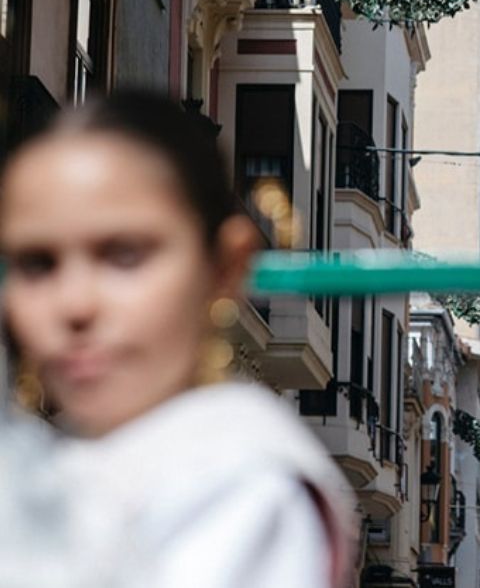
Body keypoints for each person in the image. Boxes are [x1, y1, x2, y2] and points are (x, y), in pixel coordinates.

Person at [0, 93, 356, 587]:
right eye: (36, 263)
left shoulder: (243, 489)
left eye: (124, 254)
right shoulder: (51, 462)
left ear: (226, 265)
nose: (74, 304)